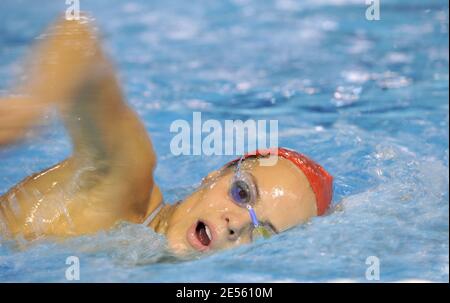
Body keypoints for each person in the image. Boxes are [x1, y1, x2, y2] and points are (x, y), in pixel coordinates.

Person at [0, 16, 333, 255]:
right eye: (242, 194)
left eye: (262, 234)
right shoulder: (124, 181)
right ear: (213, 175)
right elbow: (78, 37)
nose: (236, 224)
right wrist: (31, 106)